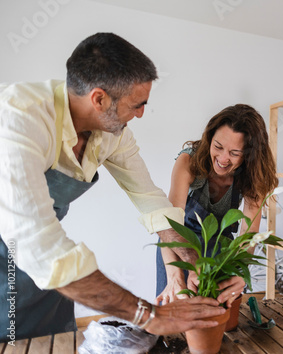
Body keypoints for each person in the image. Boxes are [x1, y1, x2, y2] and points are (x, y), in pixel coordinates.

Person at [0, 32, 225, 342]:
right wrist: (148, 316)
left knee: (55, 342)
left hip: (47, 262)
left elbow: (149, 198)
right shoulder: (17, 120)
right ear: (99, 98)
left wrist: (187, 251)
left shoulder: (112, 133)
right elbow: (39, 247)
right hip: (20, 250)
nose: (142, 113)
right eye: (137, 104)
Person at [156, 104, 279, 306]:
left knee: (218, 311)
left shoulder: (253, 175)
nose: (222, 159)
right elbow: (169, 225)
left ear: (249, 154)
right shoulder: (189, 162)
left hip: (221, 250)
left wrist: (238, 273)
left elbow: (248, 234)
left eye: (234, 153)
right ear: (209, 138)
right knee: (174, 309)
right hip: (179, 245)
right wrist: (175, 276)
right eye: (218, 146)